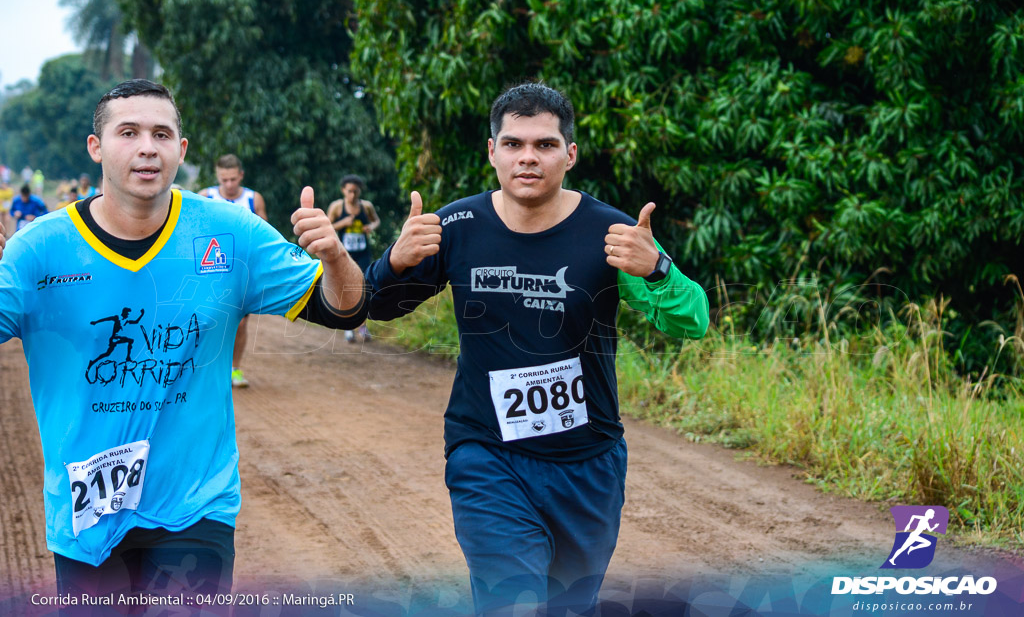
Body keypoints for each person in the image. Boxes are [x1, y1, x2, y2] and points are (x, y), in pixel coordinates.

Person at [0, 79, 367, 605]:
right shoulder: (41, 250)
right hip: (86, 516)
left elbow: (343, 307)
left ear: (181, 149)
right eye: (128, 132)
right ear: (96, 147)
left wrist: (334, 258)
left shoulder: (230, 231)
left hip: (197, 506)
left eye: (161, 133)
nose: (147, 146)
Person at [365, 82, 709, 615]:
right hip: (487, 456)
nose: (528, 157)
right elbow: (376, 305)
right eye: (514, 144)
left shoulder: (613, 233)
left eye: (545, 145)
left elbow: (694, 320)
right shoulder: (456, 226)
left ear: (570, 154)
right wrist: (394, 261)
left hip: (588, 465)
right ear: (492, 151)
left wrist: (658, 269)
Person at [199, 154, 269, 388]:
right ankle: (205, 368)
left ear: (241, 175)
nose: (229, 184)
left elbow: (264, 235)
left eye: (232, 179)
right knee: (207, 322)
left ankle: (234, 369)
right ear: (218, 176)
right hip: (210, 272)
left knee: (239, 323)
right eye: (224, 179)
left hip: (242, 273)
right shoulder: (206, 197)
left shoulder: (253, 199)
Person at [327, 174, 380, 342]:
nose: (352, 195)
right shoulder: (336, 207)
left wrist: (371, 226)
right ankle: (348, 326)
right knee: (346, 287)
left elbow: (376, 221)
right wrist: (342, 224)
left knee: (363, 288)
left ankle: (362, 327)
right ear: (343, 190)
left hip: (363, 252)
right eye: (349, 191)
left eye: (356, 192)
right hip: (344, 254)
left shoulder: (367, 206)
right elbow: (327, 226)